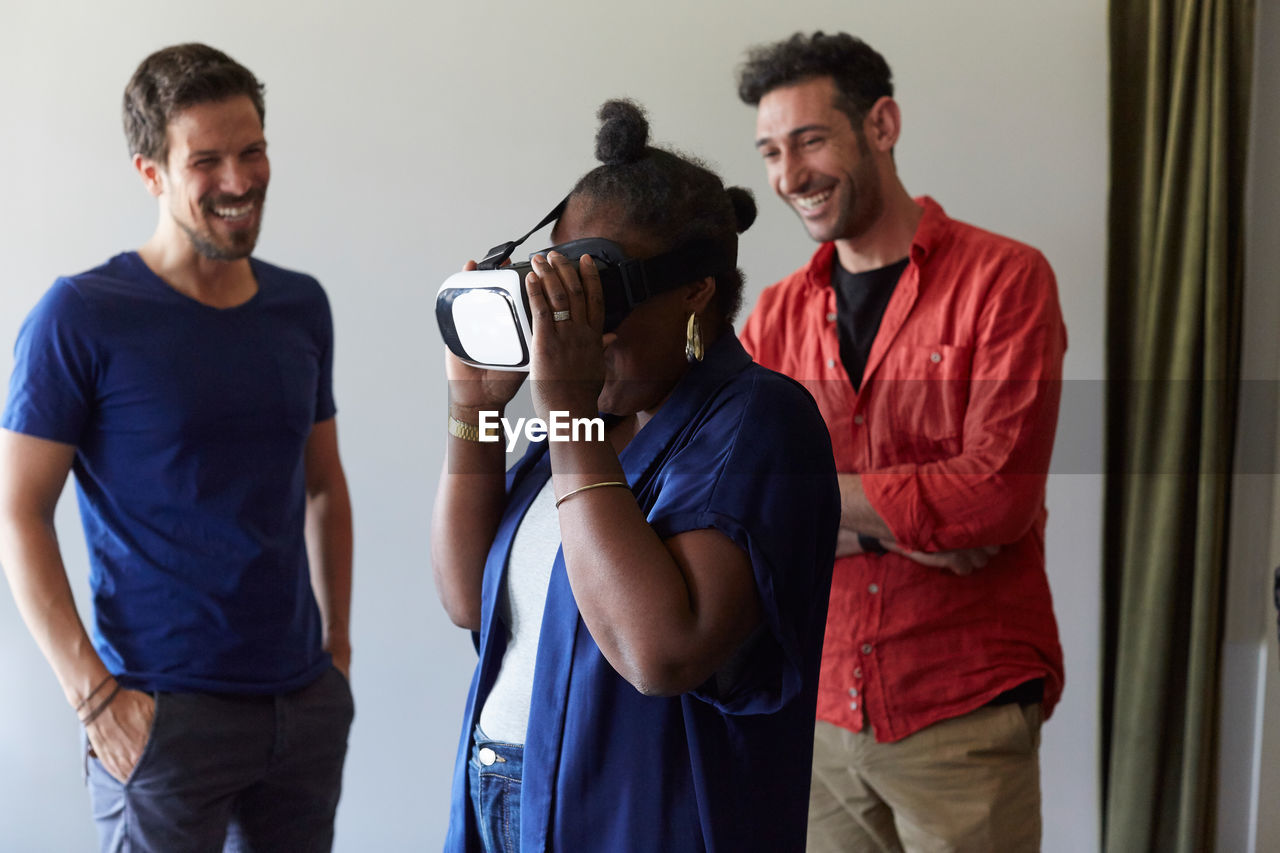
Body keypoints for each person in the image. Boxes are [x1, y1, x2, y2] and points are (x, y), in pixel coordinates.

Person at [431, 99, 840, 852]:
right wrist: (477, 409)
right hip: (500, 795)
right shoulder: (595, 422)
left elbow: (662, 650)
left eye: (601, 298)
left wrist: (566, 416)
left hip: (636, 821)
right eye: (560, 296)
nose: (581, 331)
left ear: (695, 291)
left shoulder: (758, 421)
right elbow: (466, 599)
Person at [0, 43, 353, 852]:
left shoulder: (301, 307)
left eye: (252, 150)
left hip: (301, 709)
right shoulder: (81, 316)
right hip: (163, 718)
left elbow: (324, 485)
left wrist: (336, 657)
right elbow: (16, 510)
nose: (239, 180)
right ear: (151, 172)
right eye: (207, 160)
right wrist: (94, 700)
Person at [736, 32, 1067, 853]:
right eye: (772, 151)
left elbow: (995, 497)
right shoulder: (774, 317)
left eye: (810, 140)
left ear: (880, 124)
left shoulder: (1007, 281)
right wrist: (916, 528)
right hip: (816, 717)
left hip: (964, 708)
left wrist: (814, 509)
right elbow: (736, 498)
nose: (788, 176)